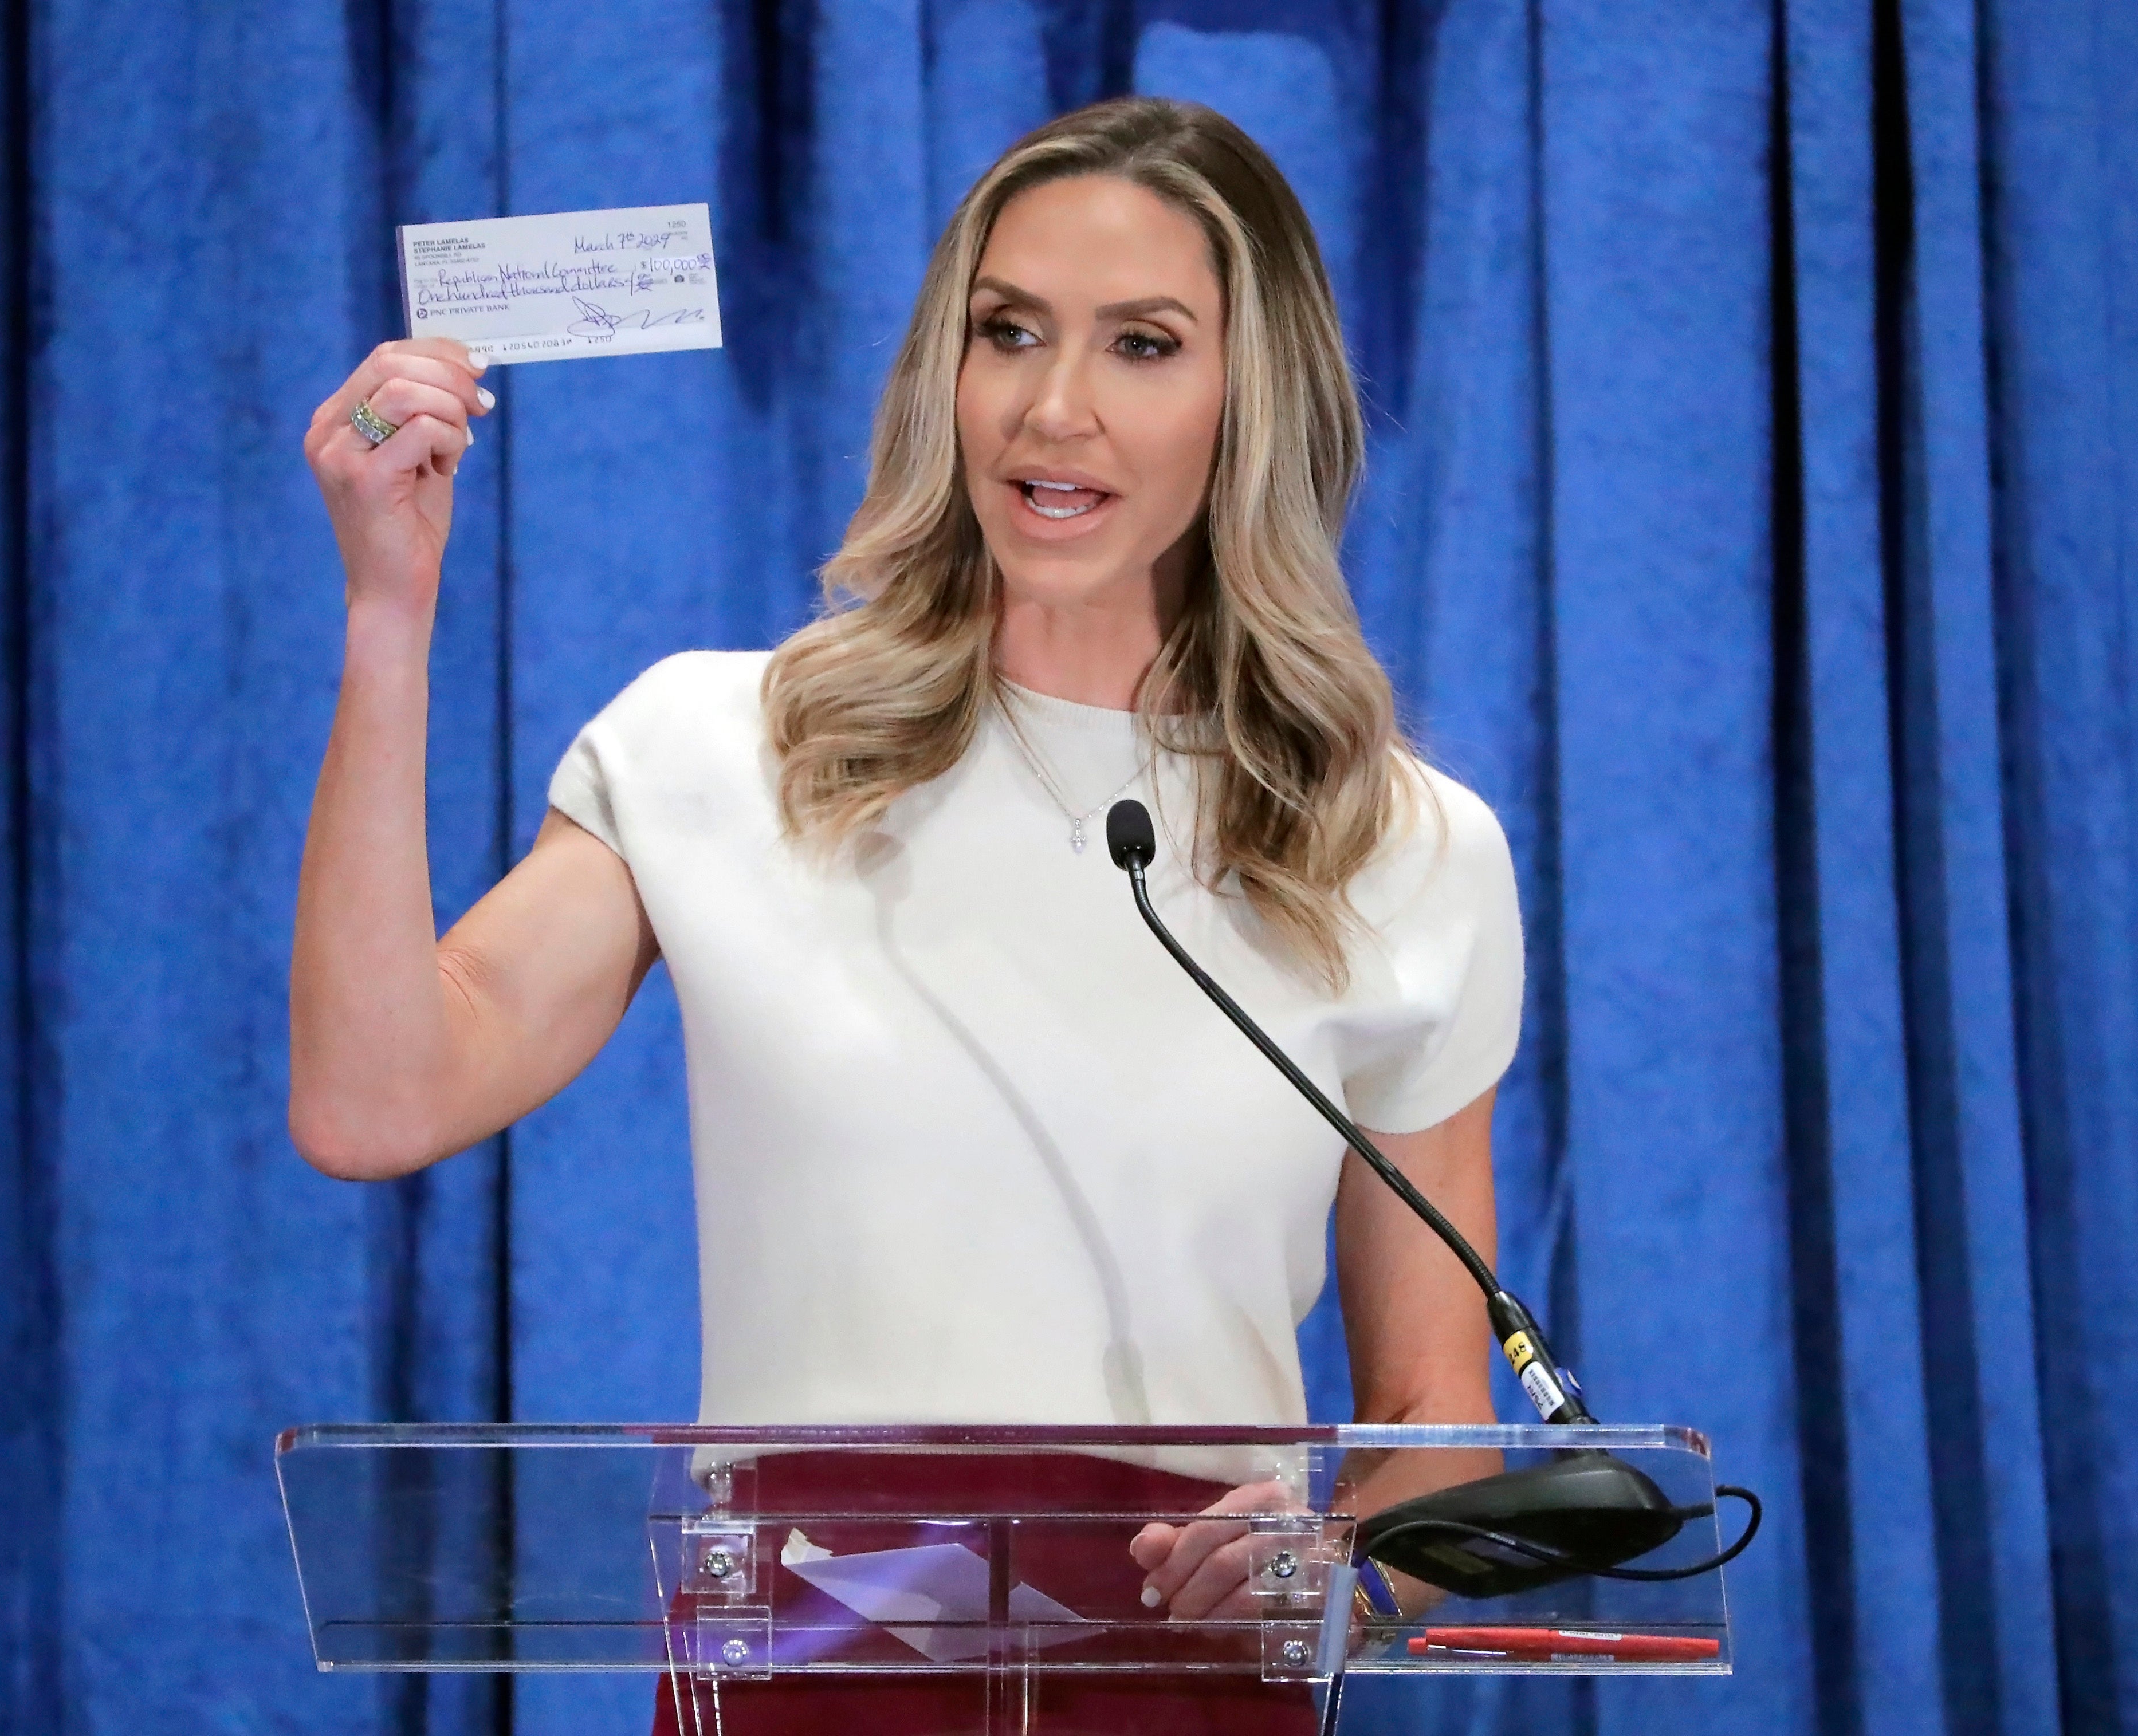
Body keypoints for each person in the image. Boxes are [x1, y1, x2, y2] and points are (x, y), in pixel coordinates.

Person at [292, 96, 1524, 1733]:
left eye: (1142, 346)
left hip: (1181, 1688)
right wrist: (390, 607)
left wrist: (1349, 1565)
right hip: (800, 1679)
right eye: (1006, 332)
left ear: (1251, 403)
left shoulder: (1397, 845)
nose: (1054, 407)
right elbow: (376, 1096)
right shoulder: (717, 746)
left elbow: (1435, 1408)